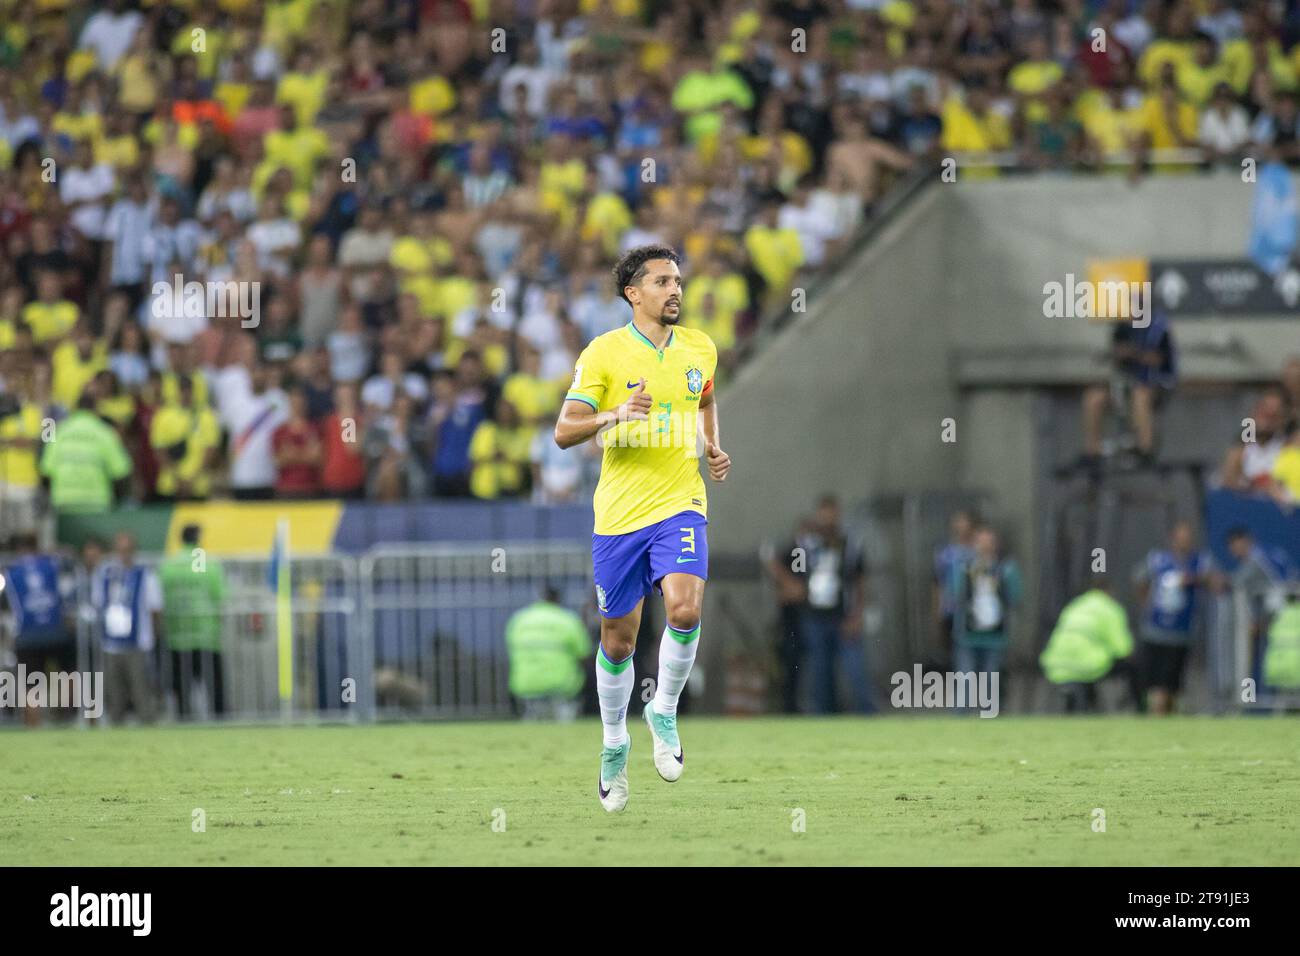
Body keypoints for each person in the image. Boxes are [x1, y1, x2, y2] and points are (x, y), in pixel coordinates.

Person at [554, 244, 729, 813]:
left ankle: (665, 709)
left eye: (678, 280)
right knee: (618, 640)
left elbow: (703, 399)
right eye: (661, 281)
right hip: (620, 518)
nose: (675, 290)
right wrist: (615, 415)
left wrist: (712, 445)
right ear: (634, 293)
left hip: (680, 503)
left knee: (684, 611)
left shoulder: (701, 347)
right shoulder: (604, 353)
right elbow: (564, 430)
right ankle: (612, 743)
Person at [786, 495, 871, 715]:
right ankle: (824, 718)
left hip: (843, 615)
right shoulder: (806, 545)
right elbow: (788, 565)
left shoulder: (850, 545)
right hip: (814, 617)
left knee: (855, 671)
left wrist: (857, 615)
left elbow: (860, 582)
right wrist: (792, 585)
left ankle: (867, 714)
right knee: (820, 674)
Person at [1132, 520, 1215, 715]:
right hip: (1156, 629)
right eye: (1180, 538)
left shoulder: (1200, 561)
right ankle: (1154, 712)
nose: (1184, 542)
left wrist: (1195, 580)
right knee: (1155, 677)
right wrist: (1147, 605)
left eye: (1187, 539)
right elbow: (1139, 579)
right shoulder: (1157, 560)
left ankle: (1169, 712)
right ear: (1172, 539)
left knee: (1174, 679)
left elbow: (1215, 582)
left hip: (1182, 632)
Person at [91, 531, 162, 725]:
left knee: (141, 691)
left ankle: (148, 727)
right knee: (114, 694)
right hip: (111, 643)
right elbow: (98, 604)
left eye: (128, 550)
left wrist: (153, 635)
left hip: (137, 642)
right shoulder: (105, 574)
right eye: (121, 550)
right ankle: (116, 733)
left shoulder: (145, 575)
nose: (124, 554)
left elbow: (155, 607)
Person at [2, 534, 73, 727]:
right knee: (66, 675)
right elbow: (68, 556)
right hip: (55, 632)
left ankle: (34, 727)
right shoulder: (51, 564)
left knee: (31, 686)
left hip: (27, 636)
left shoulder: (11, 572)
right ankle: (69, 717)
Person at [158, 524, 228, 719]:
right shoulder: (207, 563)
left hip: (177, 635)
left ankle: (183, 722)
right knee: (214, 689)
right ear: (198, 538)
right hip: (206, 635)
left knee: (182, 688)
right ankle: (220, 724)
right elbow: (220, 596)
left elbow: (160, 596)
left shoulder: (169, 564)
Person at [1039, 577, 1134, 713]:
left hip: (1056, 662)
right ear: (1110, 592)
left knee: (1079, 694)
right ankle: (1136, 708)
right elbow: (1123, 649)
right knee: (1132, 667)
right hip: (1089, 664)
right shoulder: (1110, 608)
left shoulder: (1075, 605)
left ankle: (1079, 702)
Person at [947, 524, 1022, 689]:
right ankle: (962, 713)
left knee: (992, 680)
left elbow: (1015, 597)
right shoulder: (963, 567)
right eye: (981, 541)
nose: (985, 546)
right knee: (965, 679)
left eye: (989, 541)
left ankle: (991, 711)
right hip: (968, 634)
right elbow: (954, 594)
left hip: (994, 635)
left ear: (996, 544)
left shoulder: (1005, 568)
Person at [505, 585, 592, 721]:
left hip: (525, 684)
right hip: (561, 685)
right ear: (558, 599)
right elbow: (584, 655)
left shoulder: (519, 620)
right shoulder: (568, 620)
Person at [38, 392, 133, 514]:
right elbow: (121, 470)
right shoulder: (105, 432)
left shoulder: (59, 431)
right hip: (97, 502)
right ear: (95, 409)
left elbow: (46, 469)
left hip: (63, 501)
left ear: (75, 409)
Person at [933, 509, 975, 665]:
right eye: (957, 521)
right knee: (956, 652)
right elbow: (938, 581)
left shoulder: (976, 550)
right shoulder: (944, 553)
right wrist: (938, 608)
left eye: (963, 521)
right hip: (951, 608)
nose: (960, 525)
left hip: (973, 610)